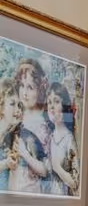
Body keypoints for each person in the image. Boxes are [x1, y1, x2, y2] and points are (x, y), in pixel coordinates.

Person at [9, 58, 52, 194]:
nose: (24, 93)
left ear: (40, 89)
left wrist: (25, 154)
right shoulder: (16, 115)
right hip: (11, 186)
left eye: (30, 87)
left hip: (29, 191)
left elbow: (45, 171)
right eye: (22, 85)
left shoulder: (42, 126)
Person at [46, 82, 78, 196]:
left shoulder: (68, 139)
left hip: (64, 201)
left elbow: (75, 183)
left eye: (56, 101)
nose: (51, 106)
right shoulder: (50, 137)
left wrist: (58, 168)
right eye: (49, 102)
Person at [0, 78, 20, 192]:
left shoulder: (12, 135)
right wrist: (5, 164)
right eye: (12, 104)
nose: (17, 109)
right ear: (1, 106)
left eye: (18, 105)